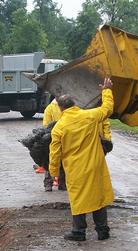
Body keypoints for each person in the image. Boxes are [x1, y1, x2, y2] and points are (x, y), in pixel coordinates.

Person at [49, 78, 114, 241]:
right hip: (95, 165)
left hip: (76, 169)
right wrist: (106, 90)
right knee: (98, 197)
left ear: (60, 108)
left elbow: (54, 153)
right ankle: (103, 231)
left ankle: (78, 232)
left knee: (78, 199)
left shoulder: (59, 128)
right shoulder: (89, 116)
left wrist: (53, 172)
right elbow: (107, 109)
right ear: (74, 104)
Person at [41, 99, 66, 191]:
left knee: (51, 160)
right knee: (63, 160)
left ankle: (48, 184)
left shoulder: (50, 108)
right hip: (64, 137)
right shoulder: (70, 107)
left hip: (53, 138)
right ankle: (62, 184)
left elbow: (46, 126)